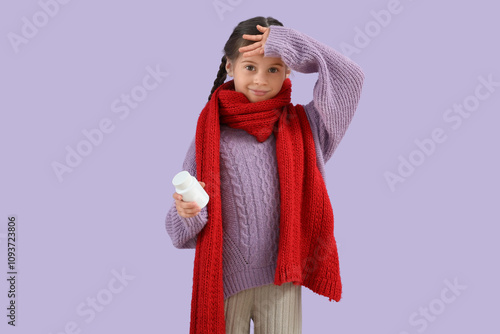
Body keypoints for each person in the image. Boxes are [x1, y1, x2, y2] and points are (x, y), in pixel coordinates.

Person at [165, 16, 365, 334]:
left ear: (289, 70)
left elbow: (350, 77)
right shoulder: (210, 134)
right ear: (230, 66)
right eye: (250, 67)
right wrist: (187, 212)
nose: (261, 79)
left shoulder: (307, 128)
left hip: (283, 280)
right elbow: (178, 231)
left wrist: (288, 43)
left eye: (273, 68)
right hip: (225, 283)